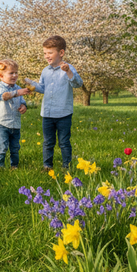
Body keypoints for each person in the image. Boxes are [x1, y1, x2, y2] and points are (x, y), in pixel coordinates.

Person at [24, 35, 83, 171]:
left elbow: (78, 84)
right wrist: (31, 84)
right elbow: (43, 88)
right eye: (45, 53)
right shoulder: (45, 71)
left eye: (50, 53)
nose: (46, 56)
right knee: (48, 142)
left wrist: (68, 71)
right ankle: (47, 166)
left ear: (61, 53)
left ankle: (66, 166)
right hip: (48, 113)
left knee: (63, 142)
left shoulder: (68, 68)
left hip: (63, 113)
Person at [0, 59, 29, 169]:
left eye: (16, 72)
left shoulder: (18, 87)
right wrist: (17, 93)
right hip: (2, 123)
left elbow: (22, 101)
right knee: (3, 146)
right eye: (11, 73)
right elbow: (4, 96)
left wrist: (24, 106)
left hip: (15, 123)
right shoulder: (0, 87)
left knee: (15, 147)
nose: (14, 75)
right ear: (1, 76)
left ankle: (14, 166)